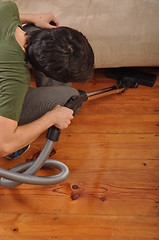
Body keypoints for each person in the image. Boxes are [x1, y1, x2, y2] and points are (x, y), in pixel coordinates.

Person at [0, 1, 94, 159]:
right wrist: (52, 117)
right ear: (46, 72)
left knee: (33, 29)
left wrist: (31, 17)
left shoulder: (7, 8)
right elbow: (4, 145)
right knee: (70, 97)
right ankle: (17, 128)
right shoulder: (15, 81)